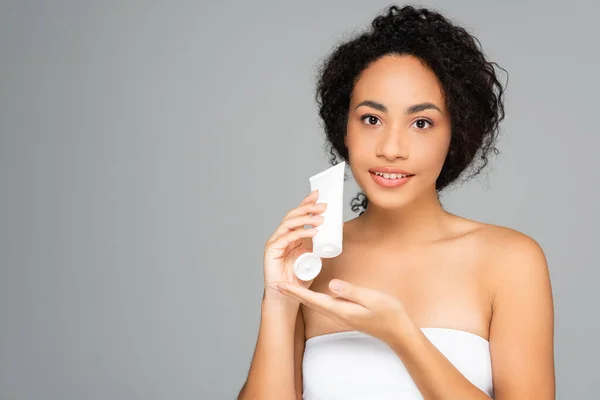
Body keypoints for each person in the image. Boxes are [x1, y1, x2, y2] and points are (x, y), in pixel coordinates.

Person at [238, 4, 555, 400]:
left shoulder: (510, 260)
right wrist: (280, 299)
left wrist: (402, 336)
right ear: (345, 130)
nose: (391, 148)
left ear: (455, 134)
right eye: (371, 119)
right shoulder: (310, 258)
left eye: (421, 123)